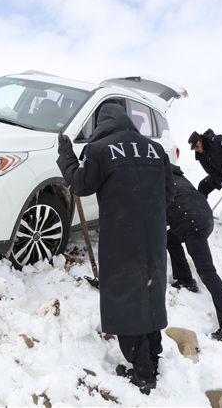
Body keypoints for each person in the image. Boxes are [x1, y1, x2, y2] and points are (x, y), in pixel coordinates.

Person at [56, 102, 174, 395]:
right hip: (153, 235)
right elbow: (168, 193)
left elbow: (80, 185)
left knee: (126, 298)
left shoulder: (100, 150)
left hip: (122, 237)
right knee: (149, 290)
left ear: (101, 123)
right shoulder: (155, 149)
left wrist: (66, 156)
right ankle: (153, 355)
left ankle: (143, 373)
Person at [166, 163, 222, 342]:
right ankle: (185, 279)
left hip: (191, 222)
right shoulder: (178, 176)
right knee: (170, 238)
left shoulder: (160, 179)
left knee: (208, 273)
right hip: (203, 216)